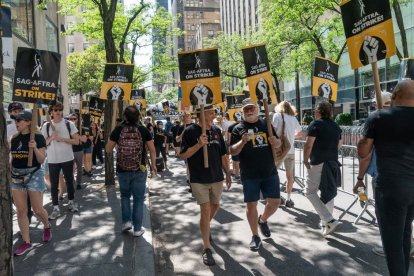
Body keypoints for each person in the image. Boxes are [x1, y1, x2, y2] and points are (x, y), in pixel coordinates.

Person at [356, 80, 414, 276]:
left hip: (390, 187)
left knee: (392, 242)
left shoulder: (378, 117)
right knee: (405, 234)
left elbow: (363, 151)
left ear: (395, 95)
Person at [180, 105, 231, 266]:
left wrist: (228, 173)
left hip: (217, 177)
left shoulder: (216, 130)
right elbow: (183, 155)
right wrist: (198, 145)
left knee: (215, 206)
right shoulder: (189, 131)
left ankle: (205, 228)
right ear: (200, 114)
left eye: (213, 112)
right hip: (199, 179)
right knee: (206, 209)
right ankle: (206, 248)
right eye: (210, 112)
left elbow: (223, 154)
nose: (213, 114)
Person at [230, 98, 282, 251]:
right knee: (251, 204)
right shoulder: (237, 129)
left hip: (269, 170)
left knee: (275, 202)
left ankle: (263, 220)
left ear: (258, 109)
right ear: (242, 112)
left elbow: (278, 143)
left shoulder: (266, 124)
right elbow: (232, 151)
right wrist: (242, 142)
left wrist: (275, 141)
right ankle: (255, 236)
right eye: (246, 109)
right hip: (250, 173)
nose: (250, 111)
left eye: (252, 108)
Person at [106, 105, 157, 237]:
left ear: (125, 116)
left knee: (124, 196)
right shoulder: (143, 130)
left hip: (122, 169)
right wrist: (154, 166)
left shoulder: (118, 130)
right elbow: (152, 150)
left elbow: (107, 150)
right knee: (139, 199)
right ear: (138, 116)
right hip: (140, 168)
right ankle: (138, 229)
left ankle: (126, 222)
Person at [353, 91, 392, 257]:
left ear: (377, 103)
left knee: (384, 212)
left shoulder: (376, 119)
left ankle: (389, 246)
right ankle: (408, 242)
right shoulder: (406, 116)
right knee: (404, 212)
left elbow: (365, 155)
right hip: (406, 173)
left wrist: (360, 179)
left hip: (382, 174)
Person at [10, 111, 51, 256]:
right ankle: (27, 242)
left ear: (28, 122)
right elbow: (12, 159)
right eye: (15, 120)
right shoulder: (14, 138)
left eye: (19, 120)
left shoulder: (38, 137)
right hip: (16, 176)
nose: (17, 123)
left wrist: (33, 148)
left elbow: (41, 160)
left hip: (33, 174)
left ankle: (46, 226)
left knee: (38, 209)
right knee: (21, 210)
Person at [303, 101, 342, 236]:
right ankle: (327, 223)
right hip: (332, 162)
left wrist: (304, 160)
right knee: (329, 191)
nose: (314, 111)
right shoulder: (336, 126)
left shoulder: (315, 124)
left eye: (315, 109)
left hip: (318, 162)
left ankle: (328, 219)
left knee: (309, 192)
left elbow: (308, 145)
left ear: (319, 111)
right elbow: (339, 144)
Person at [42, 101, 81, 219]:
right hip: (53, 160)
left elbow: (77, 141)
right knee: (54, 185)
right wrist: (51, 138)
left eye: (60, 110)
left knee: (69, 181)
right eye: (55, 110)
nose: (58, 112)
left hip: (67, 158)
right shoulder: (46, 126)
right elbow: (43, 144)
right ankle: (55, 208)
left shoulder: (69, 124)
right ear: (51, 112)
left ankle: (71, 202)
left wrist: (62, 139)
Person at [272, 101, 304, 208]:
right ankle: (289, 199)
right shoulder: (293, 118)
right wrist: (292, 136)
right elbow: (300, 133)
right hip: (291, 150)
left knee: (273, 174)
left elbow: (273, 131)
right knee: (290, 177)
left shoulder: (277, 116)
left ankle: (278, 197)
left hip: (279, 150)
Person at [67, 114, 87, 190]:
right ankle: (72, 182)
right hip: (69, 151)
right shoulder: (67, 129)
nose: (72, 120)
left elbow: (84, 140)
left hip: (79, 151)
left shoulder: (81, 129)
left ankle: (78, 183)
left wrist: (76, 137)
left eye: (74, 119)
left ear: (77, 120)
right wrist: (78, 138)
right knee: (70, 169)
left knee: (79, 169)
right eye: (70, 119)